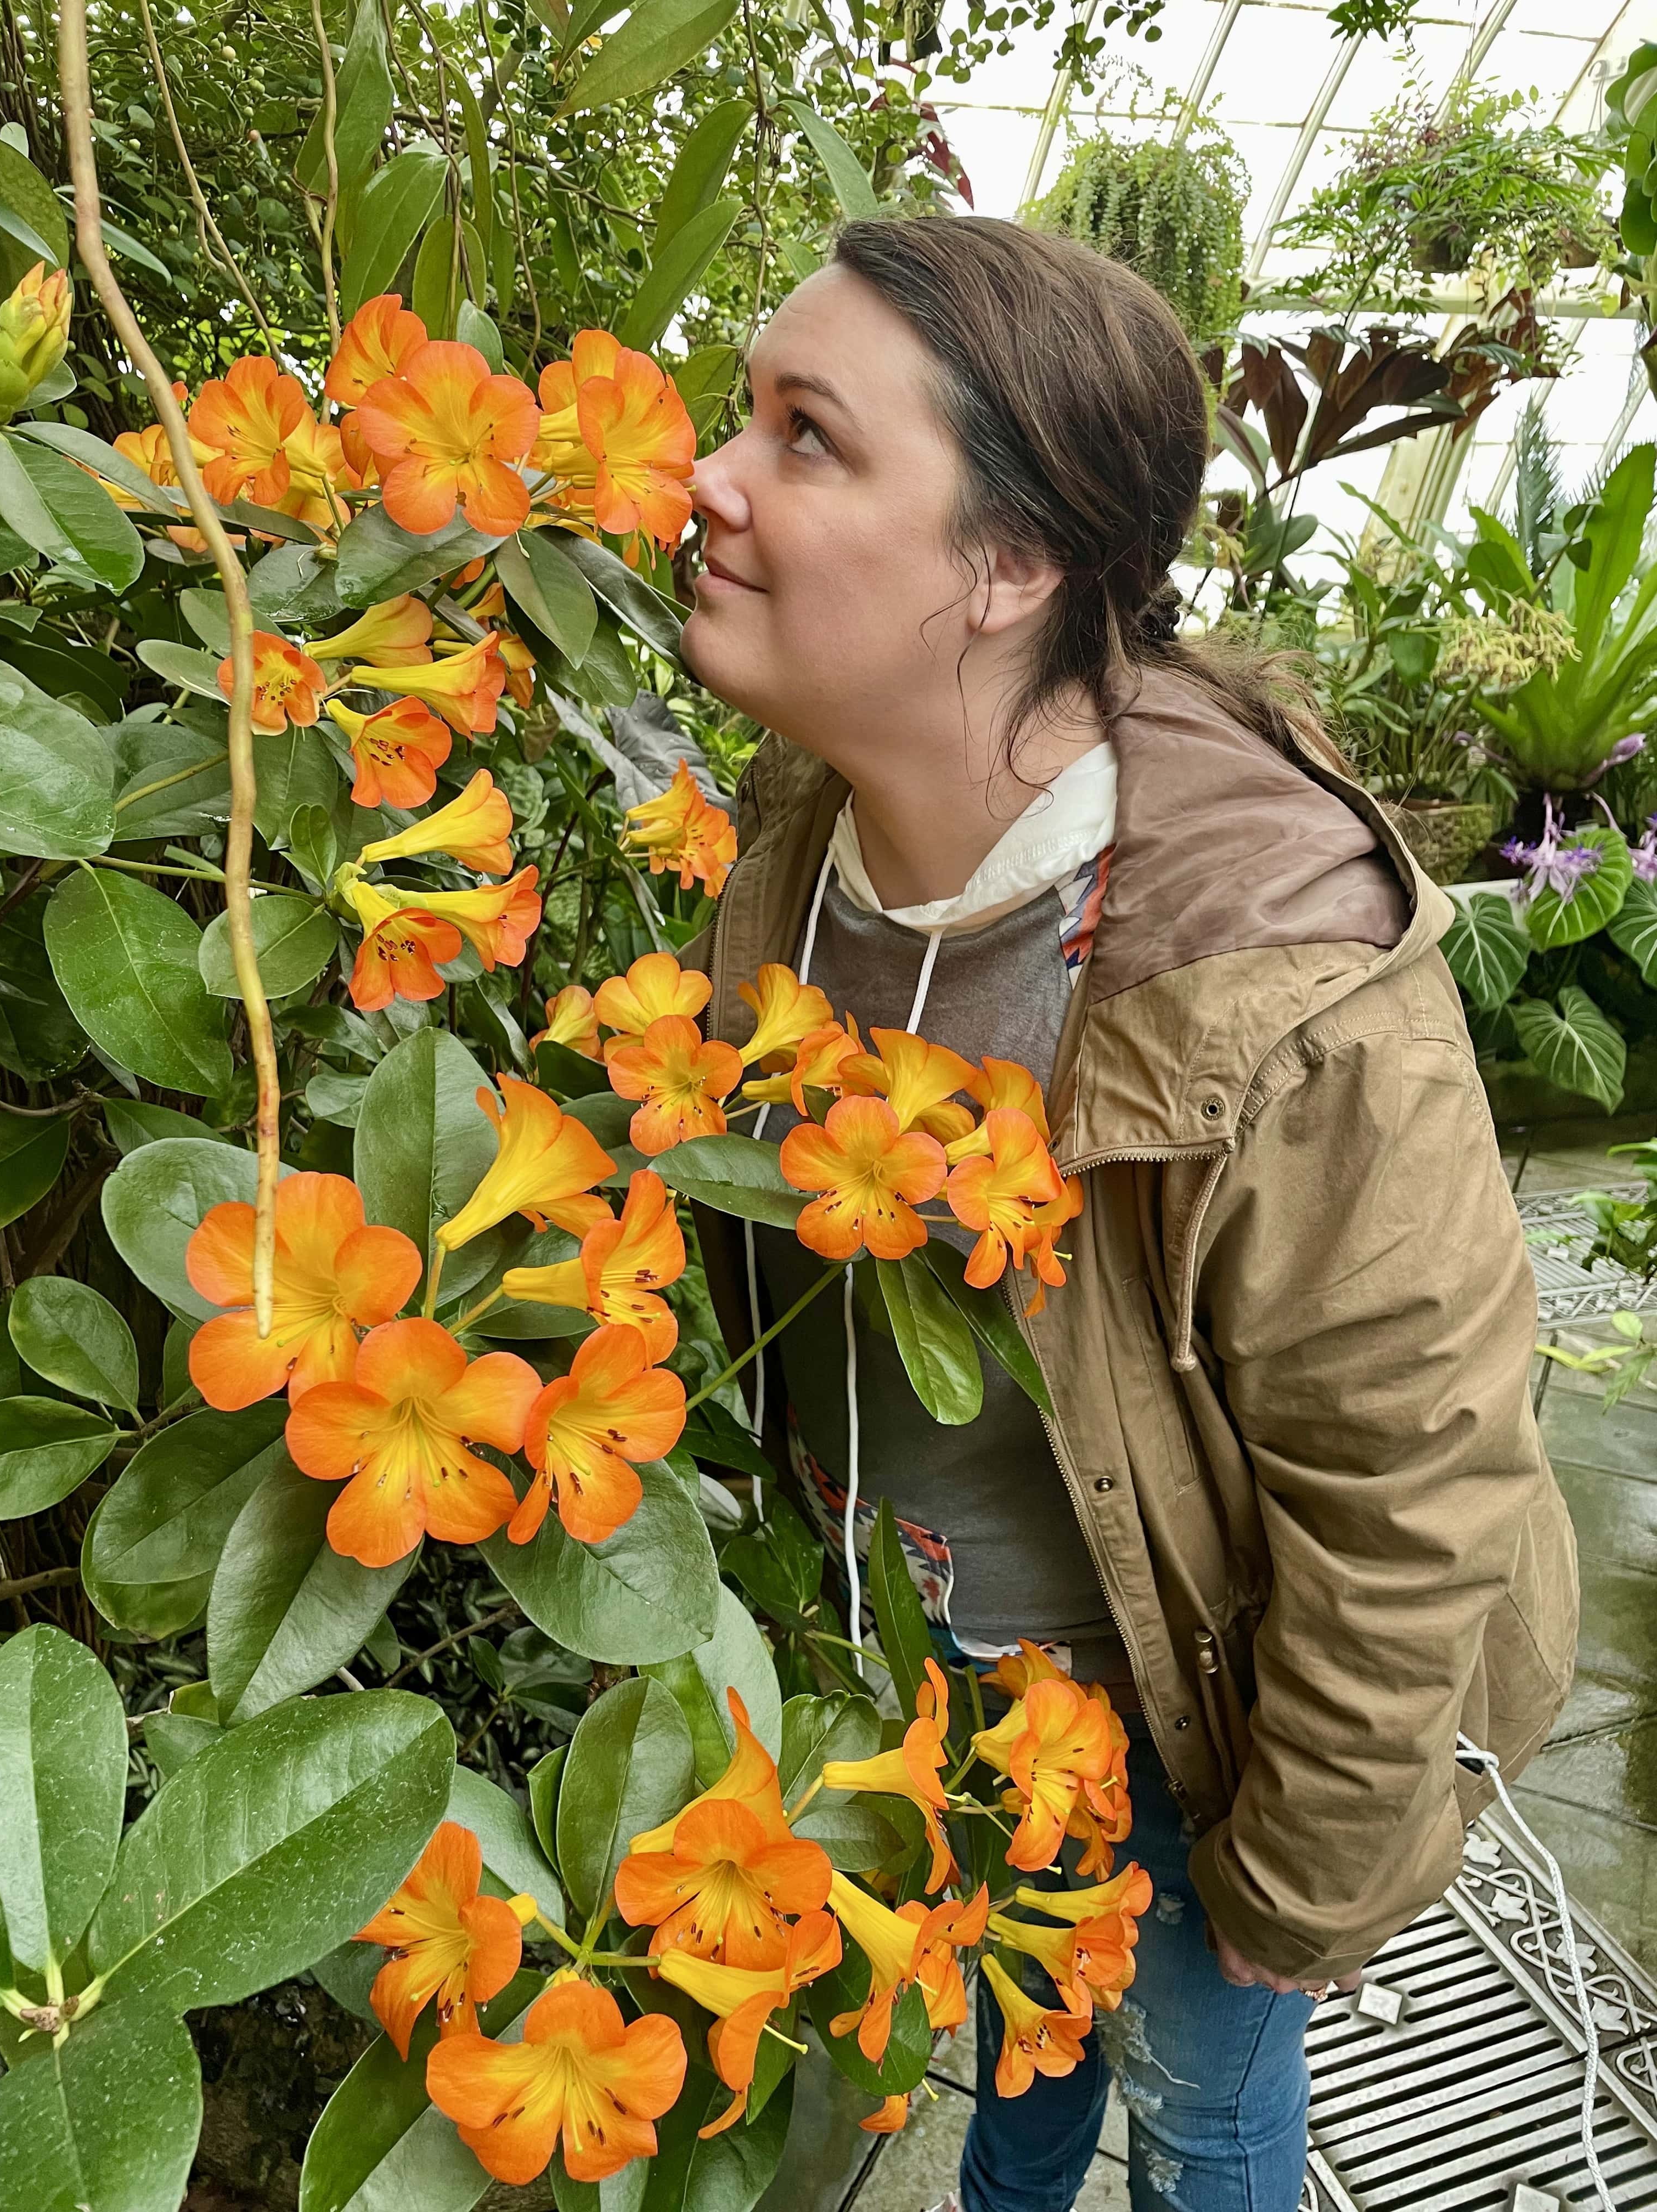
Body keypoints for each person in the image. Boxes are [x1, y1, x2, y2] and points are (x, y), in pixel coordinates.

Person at [678, 214, 1578, 2212]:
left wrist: (1304, 1876)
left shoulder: (1285, 988)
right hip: (931, 1678)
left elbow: (1415, 1476)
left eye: (806, 436)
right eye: (744, 411)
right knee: (1015, 2047)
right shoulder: (801, 829)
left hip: (1196, 1710)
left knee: (1205, 2106)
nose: (708, 479)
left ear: (1009, 571)